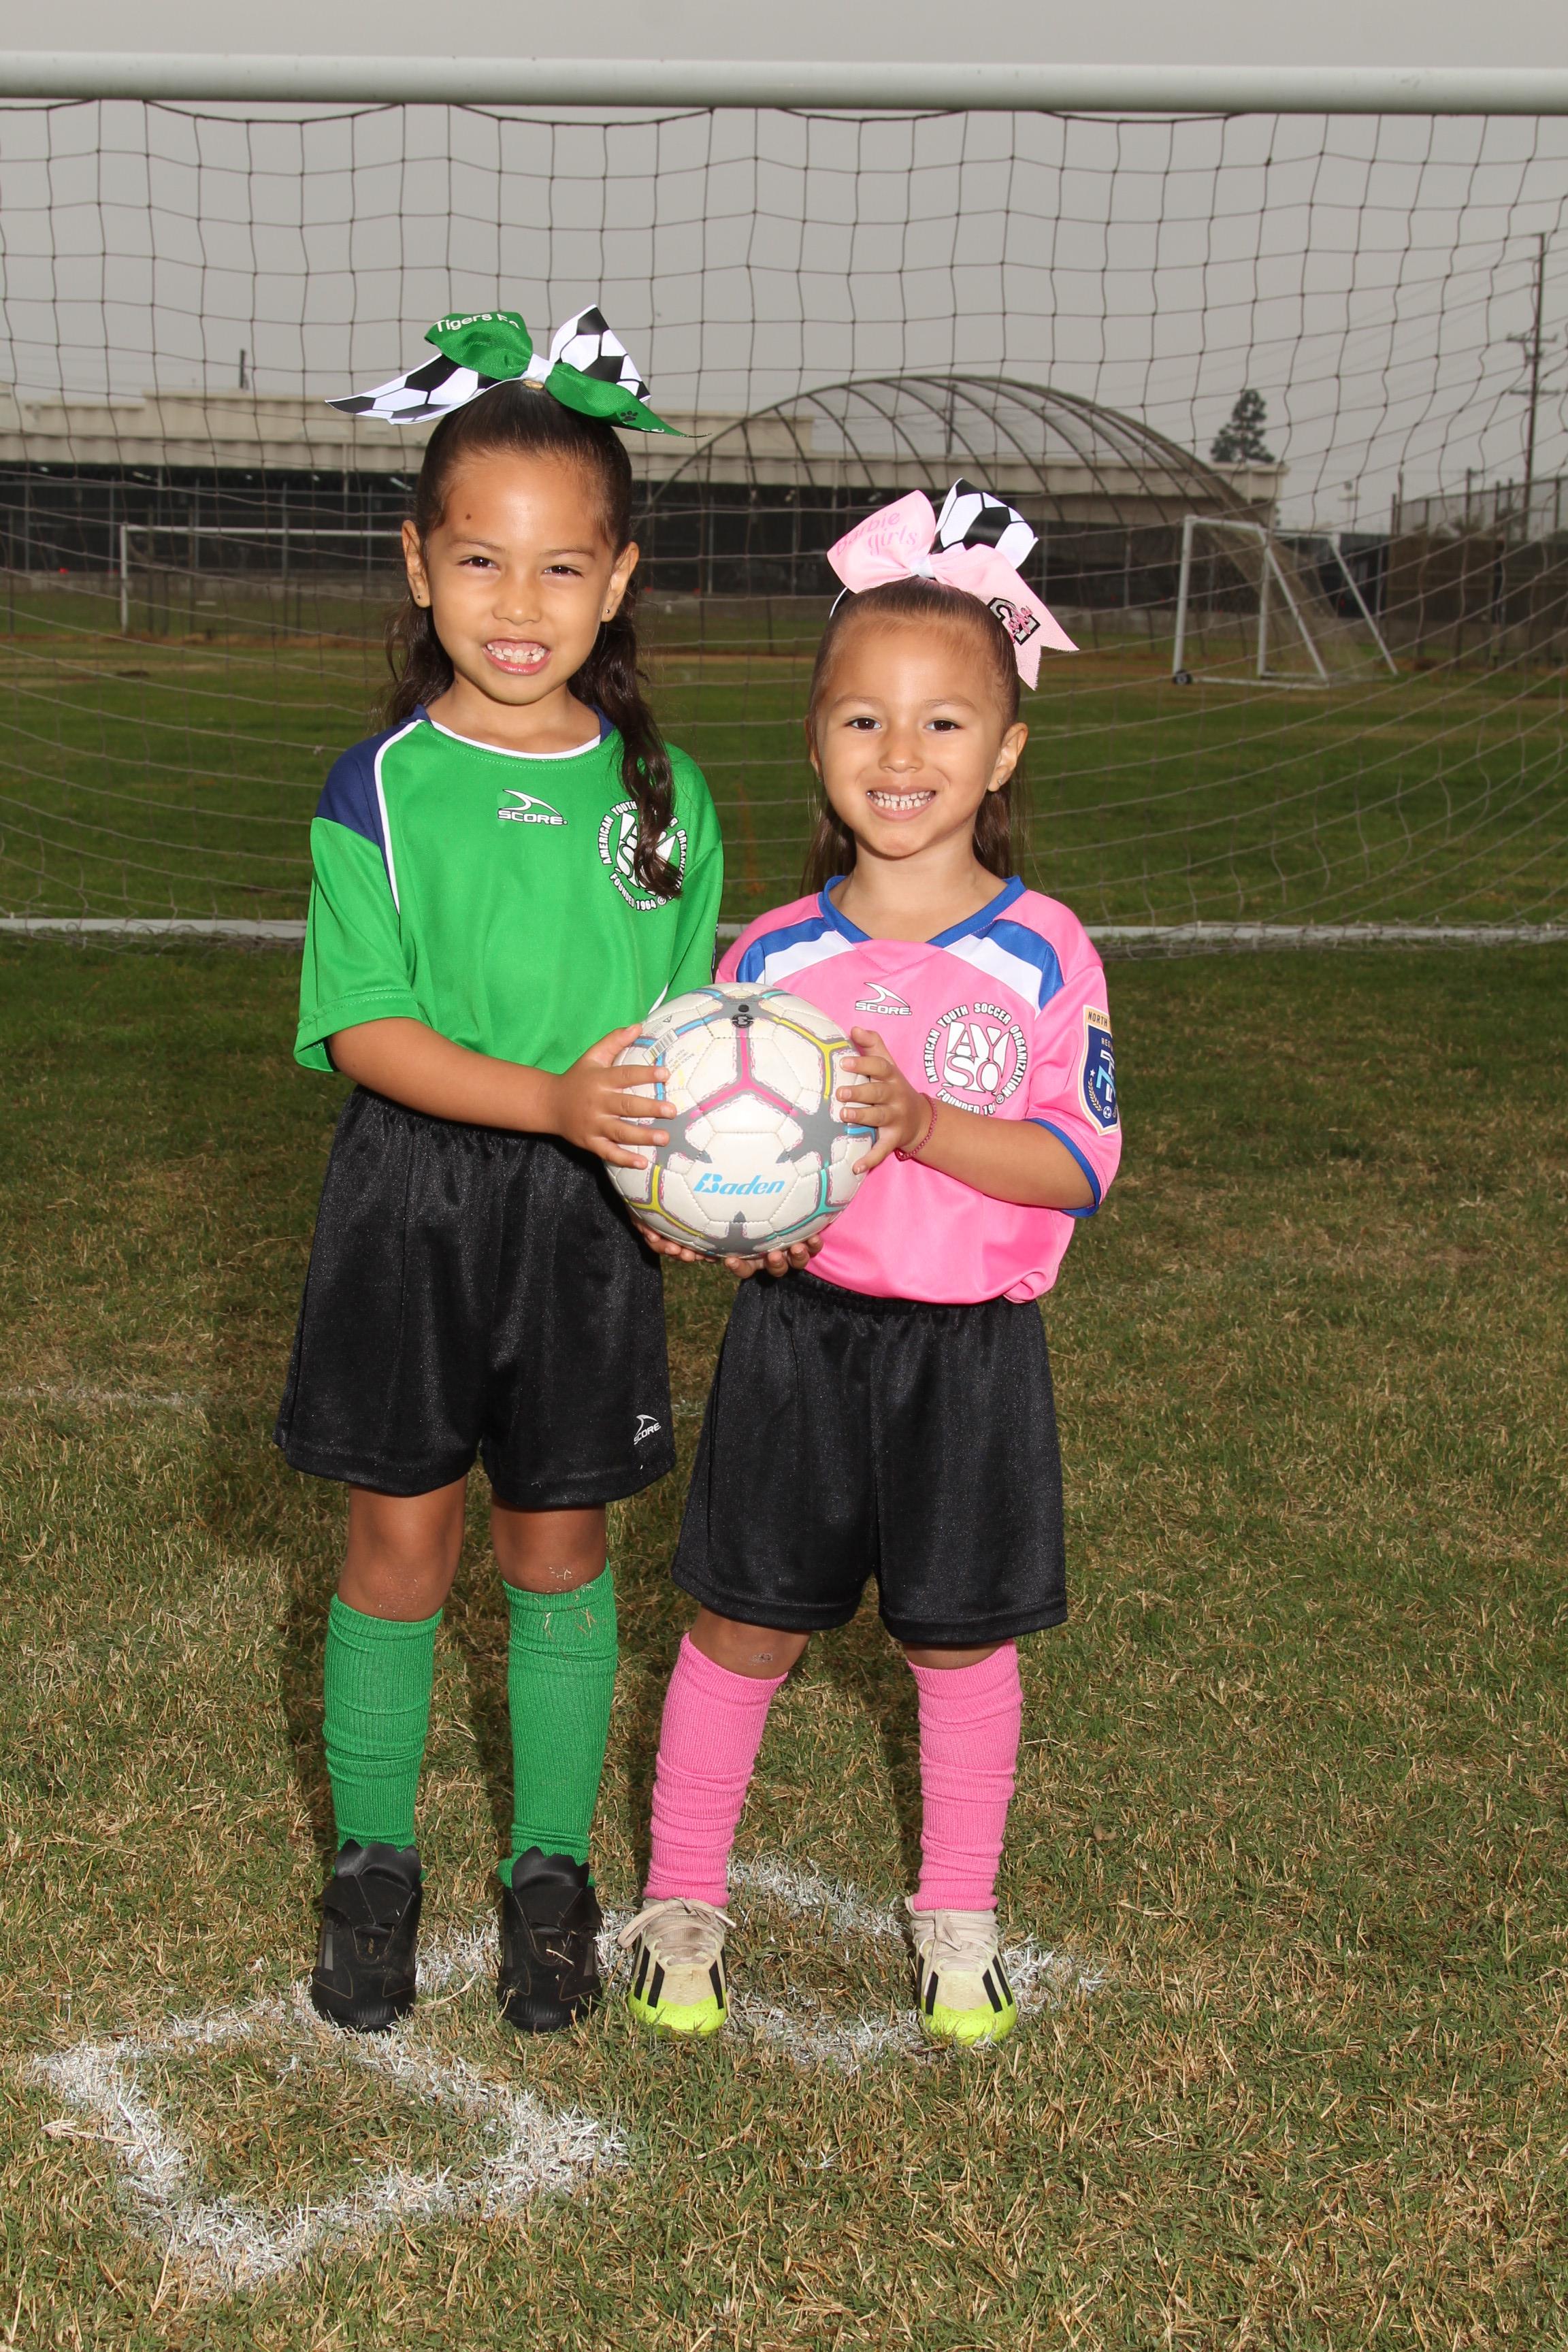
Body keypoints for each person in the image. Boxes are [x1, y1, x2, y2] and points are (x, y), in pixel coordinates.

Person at [619, 480, 1122, 2046]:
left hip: (969, 1356)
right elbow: (705, 1152)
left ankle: (958, 1915)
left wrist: (923, 1123)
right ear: (818, 742)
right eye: (863, 720)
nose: (901, 755)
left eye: (943, 722)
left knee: (957, 1640)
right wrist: (690, 1213)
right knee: (744, 1624)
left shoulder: (1044, 950)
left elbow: (1079, 1163)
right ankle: (682, 1903)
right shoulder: (770, 957)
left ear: (1006, 750)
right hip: (801, 1342)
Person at [275, 307, 722, 2034]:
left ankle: (551, 1871)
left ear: (618, 582)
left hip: (585, 1217)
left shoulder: (666, 798)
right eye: (480, 559)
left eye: (559, 566)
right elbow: (365, 1029)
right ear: (418, 566)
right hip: (412, 1201)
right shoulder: (378, 787)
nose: (517, 603)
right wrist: (550, 1102)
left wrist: (693, 1187)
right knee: (401, 1544)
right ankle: (373, 1866)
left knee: (559, 1547)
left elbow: (689, 1041)